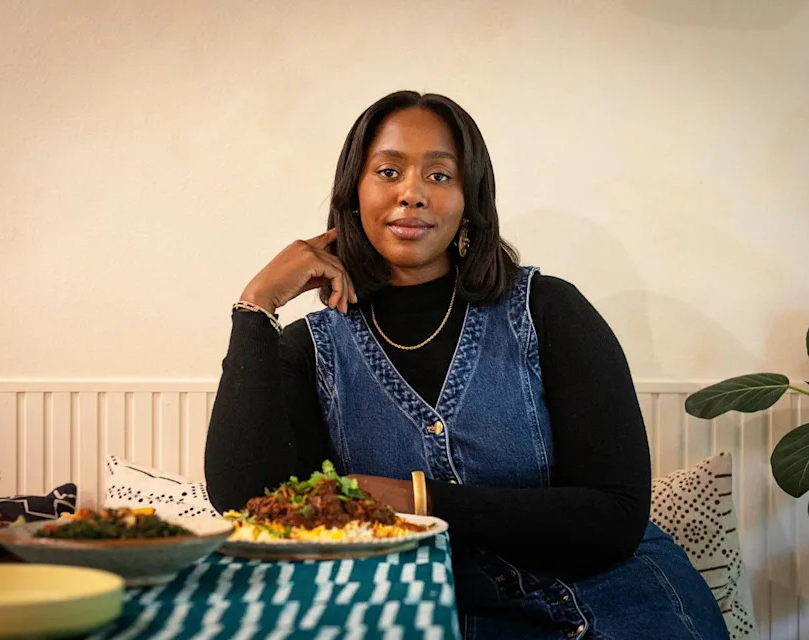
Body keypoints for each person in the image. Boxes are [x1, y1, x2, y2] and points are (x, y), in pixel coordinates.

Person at [205, 90, 729, 639]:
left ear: (468, 199)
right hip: (435, 605)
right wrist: (256, 304)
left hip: (615, 591)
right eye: (388, 171)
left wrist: (415, 500)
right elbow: (251, 506)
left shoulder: (548, 309)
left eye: (439, 175)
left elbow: (617, 515)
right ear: (353, 192)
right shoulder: (311, 348)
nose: (412, 194)